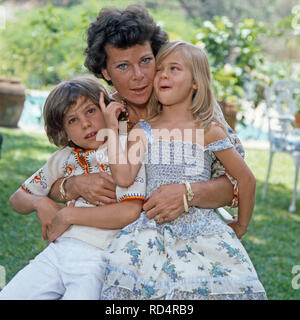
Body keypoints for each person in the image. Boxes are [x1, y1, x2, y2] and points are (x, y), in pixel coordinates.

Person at [45, 4, 244, 230]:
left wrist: (187, 192)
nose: (138, 76)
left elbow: (235, 183)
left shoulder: (191, 109)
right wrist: (74, 185)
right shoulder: (102, 113)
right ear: (106, 72)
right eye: (123, 66)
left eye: (146, 61)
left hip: (186, 231)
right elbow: (51, 177)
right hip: (108, 236)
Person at [98, 40, 267, 300]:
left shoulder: (209, 129)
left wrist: (241, 225)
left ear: (195, 82)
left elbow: (245, 179)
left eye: (174, 69)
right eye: (160, 69)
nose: (163, 74)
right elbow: (123, 176)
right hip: (151, 234)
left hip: (204, 233)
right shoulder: (144, 131)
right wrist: (112, 128)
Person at [0, 77, 146, 300]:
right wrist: (39, 201)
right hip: (58, 251)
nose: (85, 123)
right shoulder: (63, 159)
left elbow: (129, 212)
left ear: (107, 110)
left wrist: (69, 215)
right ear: (65, 132)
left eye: (90, 111)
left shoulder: (125, 150)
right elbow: (17, 199)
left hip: (100, 257)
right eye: (72, 120)